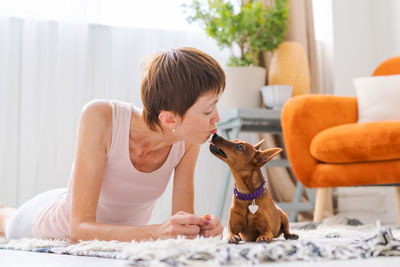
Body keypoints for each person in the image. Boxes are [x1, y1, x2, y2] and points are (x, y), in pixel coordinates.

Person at [0, 47, 225, 242]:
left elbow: (182, 223)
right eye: (207, 110)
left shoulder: (187, 142)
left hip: (75, 199)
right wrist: (157, 232)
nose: (217, 117)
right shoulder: (102, 116)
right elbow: (78, 230)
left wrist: (199, 228)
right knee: (7, 221)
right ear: (169, 119)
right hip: (51, 222)